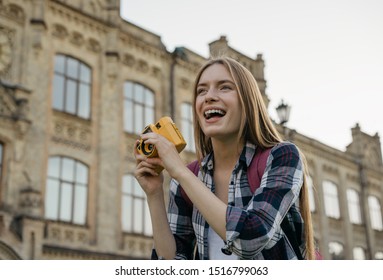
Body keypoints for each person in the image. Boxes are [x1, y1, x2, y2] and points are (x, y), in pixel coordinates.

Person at [134, 56, 316, 260]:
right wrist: (154, 194)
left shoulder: (282, 157)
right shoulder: (189, 177)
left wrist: (180, 172)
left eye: (224, 87)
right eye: (201, 90)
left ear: (248, 100)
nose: (208, 97)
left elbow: (250, 237)